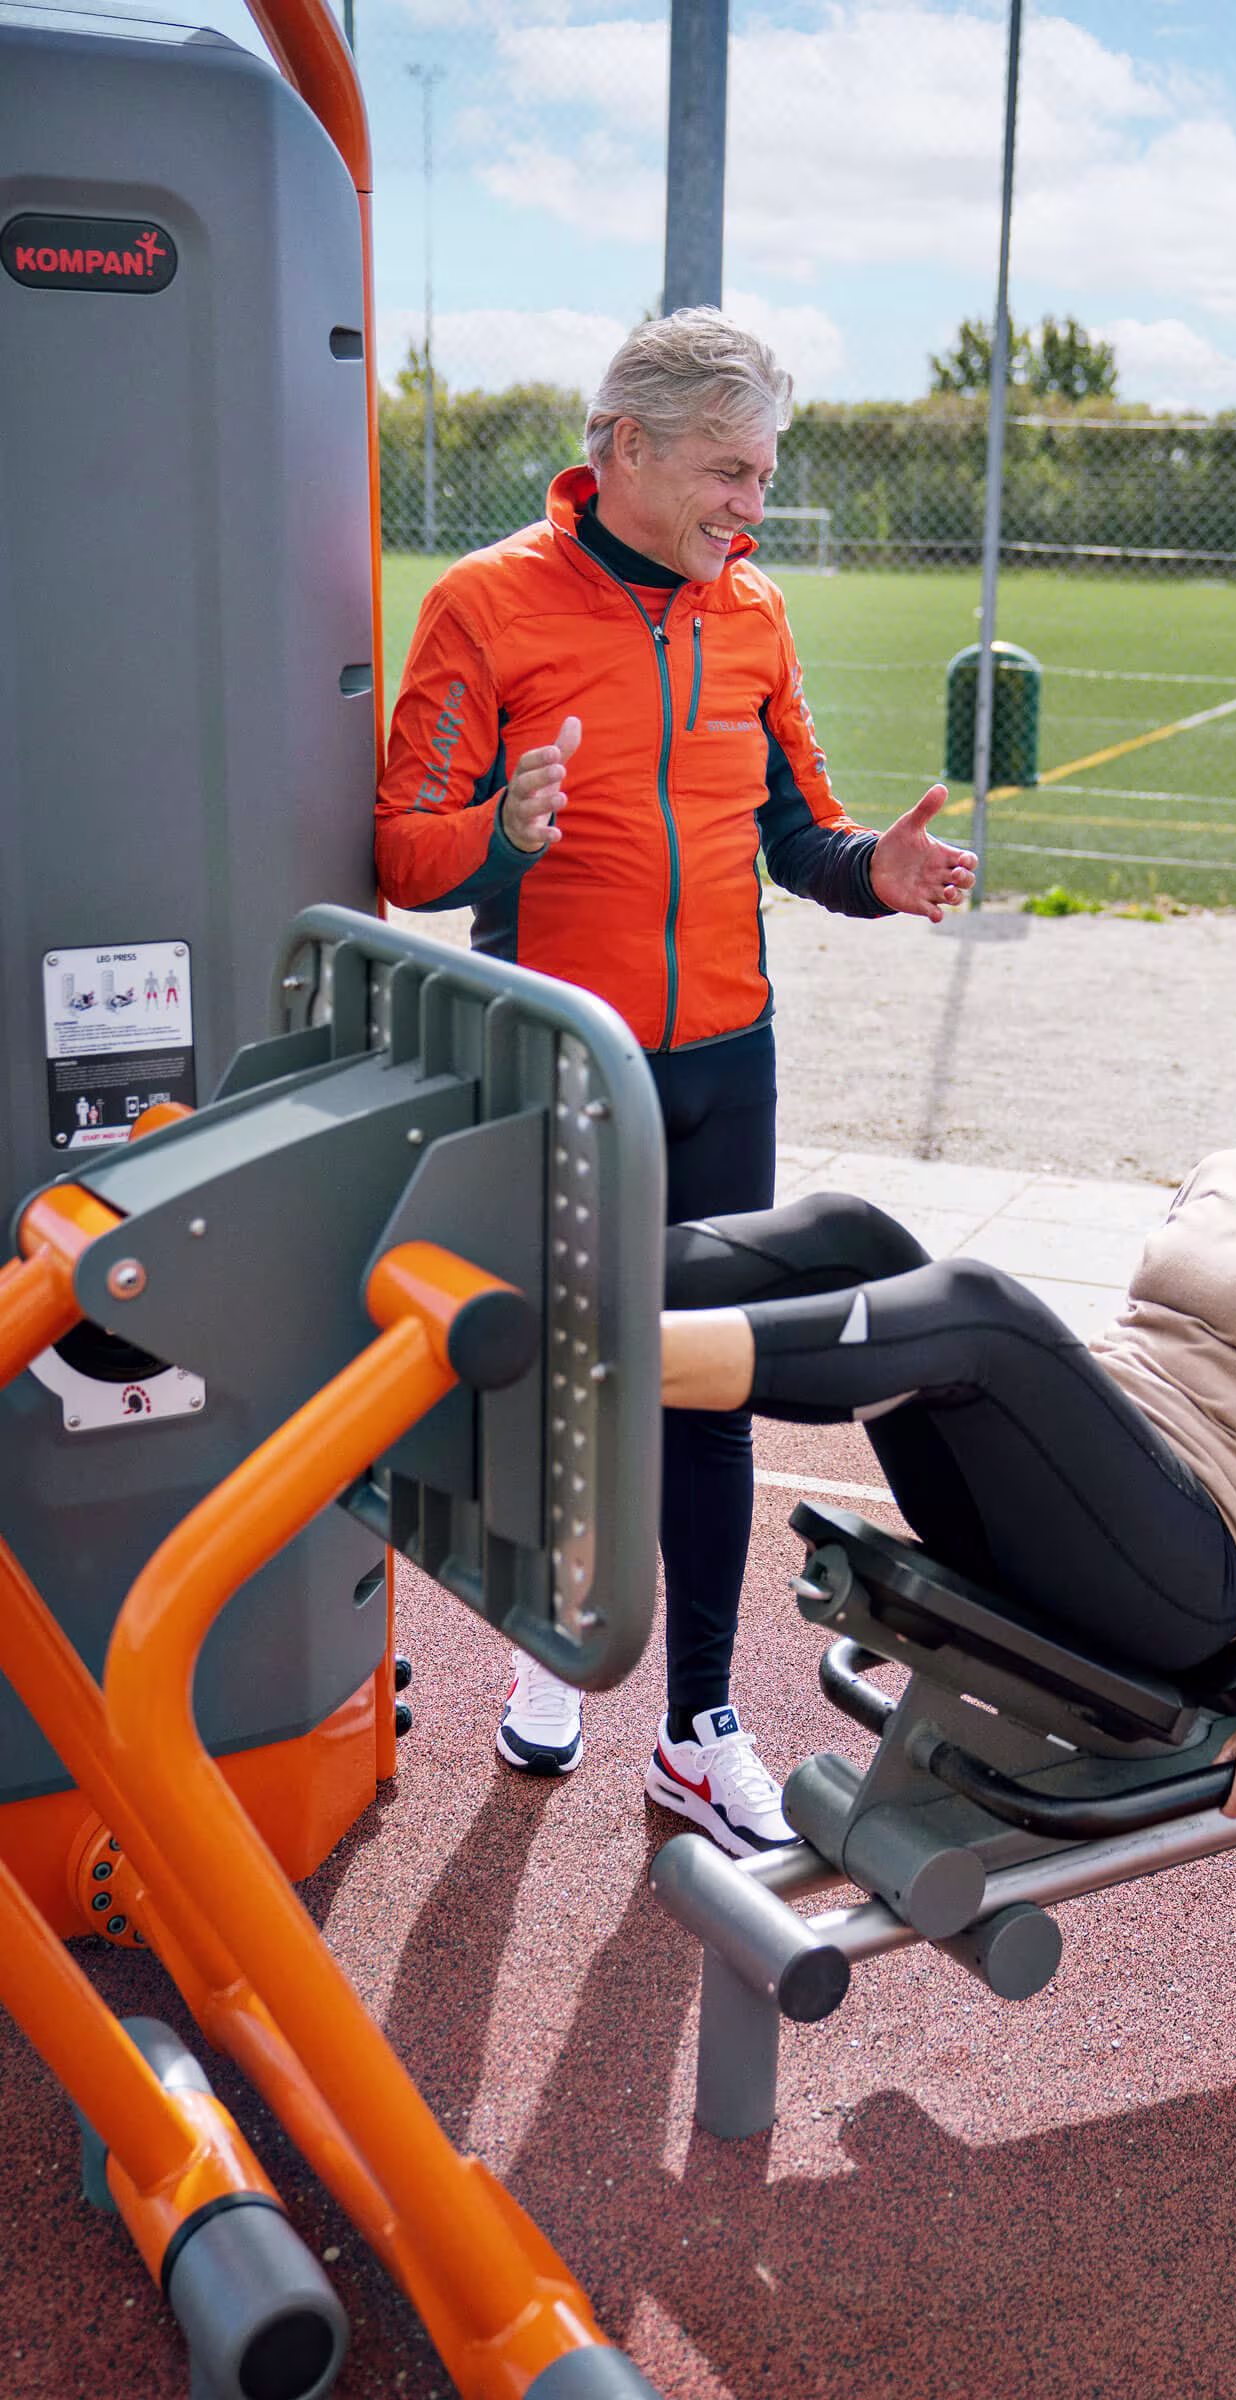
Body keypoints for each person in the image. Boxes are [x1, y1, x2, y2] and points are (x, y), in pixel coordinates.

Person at [375, 308, 976, 1856]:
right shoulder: (485, 606)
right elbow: (402, 853)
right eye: (728, 470)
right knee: (548, 1370)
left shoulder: (754, 614)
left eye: (763, 474)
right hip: (553, 1071)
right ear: (622, 448)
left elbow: (801, 837)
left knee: (709, 1384)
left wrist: (879, 873)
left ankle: (701, 1728)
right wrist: (504, 832)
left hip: (726, 1067)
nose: (749, 506)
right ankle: (554, 1632)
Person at [656, 884, 1236, 1820]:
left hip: (1181, 1578)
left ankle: (618, 1362)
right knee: (849, 1233)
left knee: (977, 1310)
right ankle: (567, 1292)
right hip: (1065, 1519)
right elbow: (1137, 1369)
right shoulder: (1232, 1172)